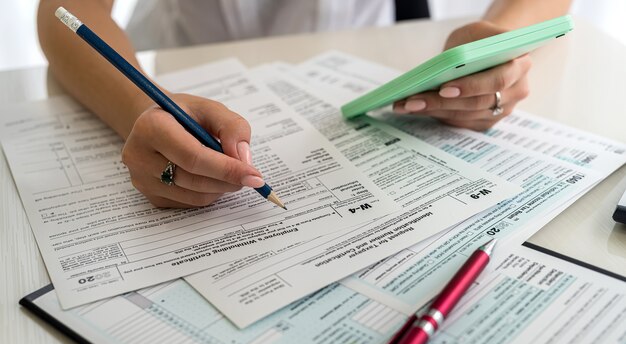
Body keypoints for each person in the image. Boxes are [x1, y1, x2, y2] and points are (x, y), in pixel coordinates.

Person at [37, 0, 571, 208]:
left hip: (371, 55)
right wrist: (143, 108)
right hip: (181, 62)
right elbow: (63, 11)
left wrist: (497, 43)